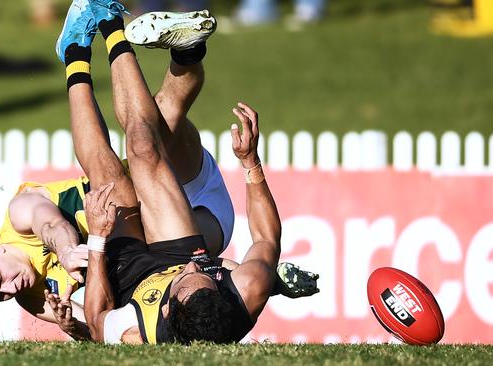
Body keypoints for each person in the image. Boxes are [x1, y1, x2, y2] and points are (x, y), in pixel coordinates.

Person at [50, 2, 316, 344]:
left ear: (166, 310)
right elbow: (267, 241)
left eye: (186, 279)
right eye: (205, 274)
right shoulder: (243, 293)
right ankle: (110, 20)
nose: (193, 267)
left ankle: (74, 54)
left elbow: (98, 319)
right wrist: (251, 163)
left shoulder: (137, 329)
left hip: (134, 276)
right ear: (221, 293)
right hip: (175, 245)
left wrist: (99, 238)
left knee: (106, 173)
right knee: (145, 145)